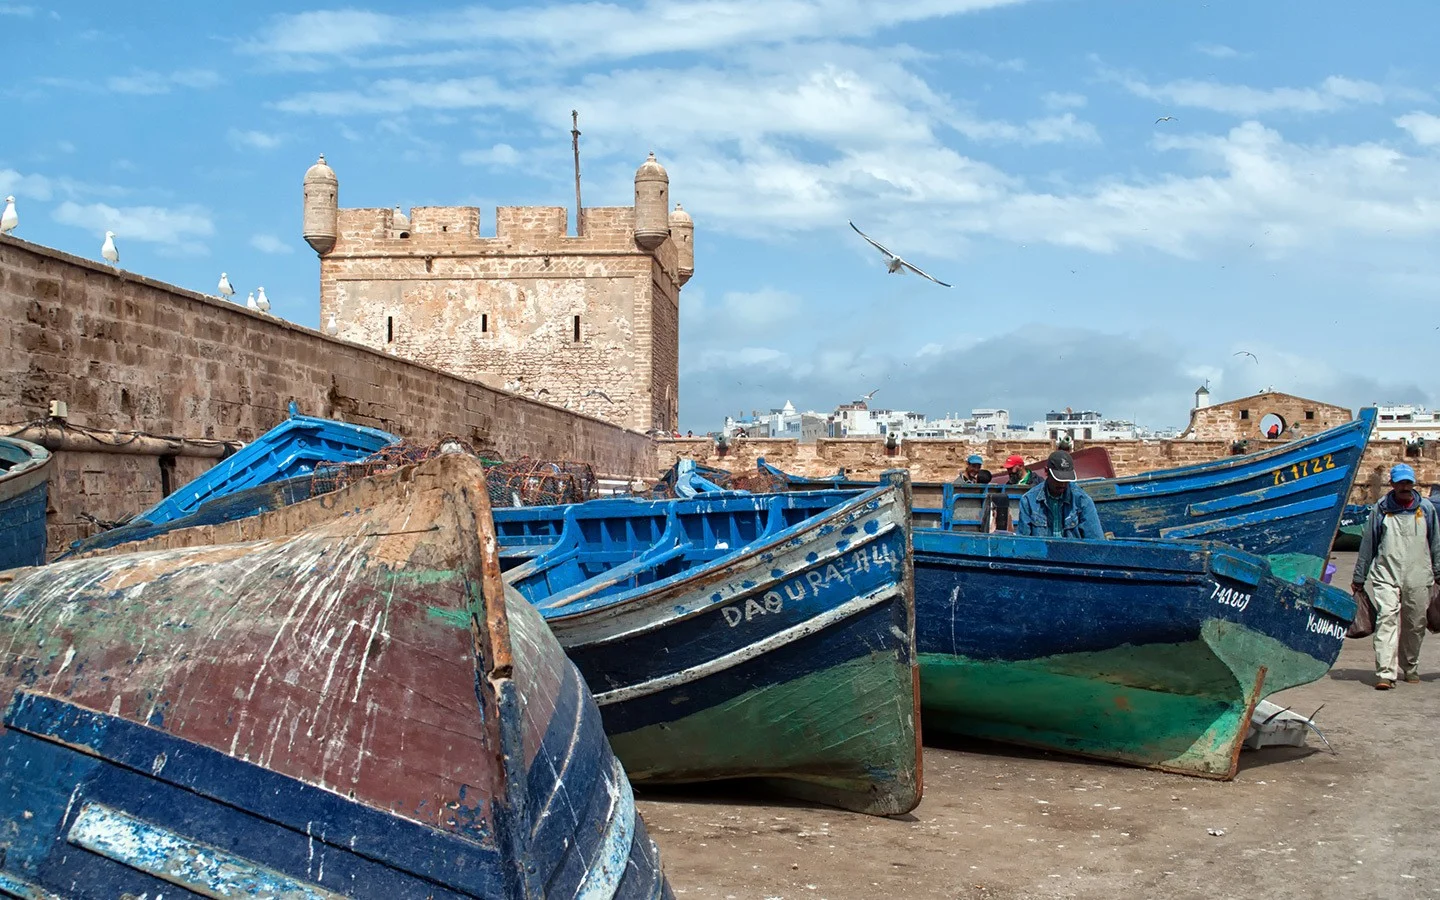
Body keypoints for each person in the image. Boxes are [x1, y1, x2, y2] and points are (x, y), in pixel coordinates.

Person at [1352, 463, 1440, 690]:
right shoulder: (1380, 510)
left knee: (1415, 623)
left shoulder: (1427, 509)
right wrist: (1359, 578)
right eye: (1400, 482)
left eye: (1408, 482)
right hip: (1386, 574)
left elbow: (1436, 545)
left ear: (1413, 484)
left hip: (1419, 574)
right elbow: (1368, 545)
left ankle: (1410, 666)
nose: (1404, 487)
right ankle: (1385, 673)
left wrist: (1438, 574)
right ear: (1391, 484)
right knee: (1386, 619)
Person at [1016, 450, 1105, 539]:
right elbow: (1023, 542)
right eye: (1058, 480)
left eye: (1066, 480)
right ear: (1046, 472)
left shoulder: (1082, 501)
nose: (1062, 484)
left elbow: (1096, 541)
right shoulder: (1029, 501)